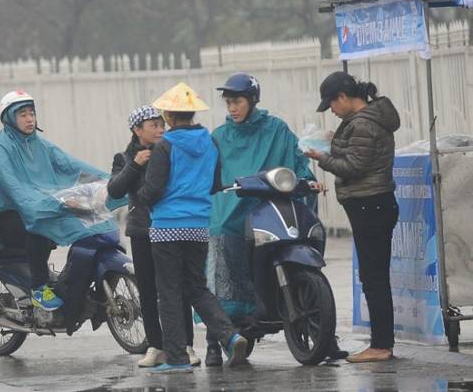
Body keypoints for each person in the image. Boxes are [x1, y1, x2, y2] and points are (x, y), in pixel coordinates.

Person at [0, 90, 121, 331]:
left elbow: (72, 166)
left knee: (73, 220)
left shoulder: (40, 145)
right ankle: (39, 288)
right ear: (8, 118)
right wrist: (51, 205)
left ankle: (64, 287)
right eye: (22, 114)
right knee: (38, 227)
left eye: (32, 114)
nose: (29, 119)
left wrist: (110, 182)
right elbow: (15, 188)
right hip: (4, 216)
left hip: (36, 204)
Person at [204, 72, 328, 366]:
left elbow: (298, 162)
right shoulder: (220, 137)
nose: (232, 108)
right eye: (228, 102)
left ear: (252, 101)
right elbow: (208, 174)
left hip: (270, 206)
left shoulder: (276, 130)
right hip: (231, 210)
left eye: (238, 101)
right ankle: (214, 340)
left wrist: (308, 180)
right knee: (222, 252)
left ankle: (319, 326)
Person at [138, 82, 248, 374]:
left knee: (170, 293)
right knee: (198, 288)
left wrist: (141, 199)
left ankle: (176, 358)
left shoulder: (165, 146)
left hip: (167, 228)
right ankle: (230, 335)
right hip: (199, 226)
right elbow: (214, 184)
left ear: (169, 117)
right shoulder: (210, 142)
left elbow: (154, 188)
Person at [304, 71, 400, 363]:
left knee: (373, 277)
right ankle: (381, 343)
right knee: (374, 275)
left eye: (332, 104)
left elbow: (355, 166)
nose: (332, 111)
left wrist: (322, 159)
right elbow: (361, 156)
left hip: (369, 205)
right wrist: (336, 143)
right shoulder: (367, 120)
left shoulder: (363, 124)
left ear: (344, 97)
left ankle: (381, 345)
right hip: (375, 204)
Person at [107, 105, 200, 367]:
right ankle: (156, 346)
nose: (161, 129)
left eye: (162, 124)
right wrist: (135, 165)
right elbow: (114, 190)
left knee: (177, 289)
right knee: (147, 290)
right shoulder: (124, 158)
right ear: (137, 130)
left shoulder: (171, 150)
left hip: (171, 229)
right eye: (154, 126)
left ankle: (186, 346)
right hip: (142, 232)